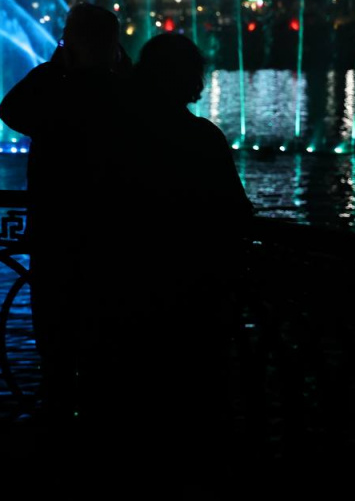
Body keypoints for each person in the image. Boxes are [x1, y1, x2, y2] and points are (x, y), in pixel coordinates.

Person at [96, 33, 252, 482]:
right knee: (193, 412)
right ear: (192, 82)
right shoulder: (202, 138)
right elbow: (235, 212)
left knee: (130, 415)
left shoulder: (115, 136)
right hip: (192, 297)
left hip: (124, 294)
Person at [0, 3, 130, 434]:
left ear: (69, 44)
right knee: (107, 358)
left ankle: (57, 443)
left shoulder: (54, 87)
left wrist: (57, 66)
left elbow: (9, 110)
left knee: (55, 353)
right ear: (113, 44)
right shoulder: (125, 93)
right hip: (114, 244)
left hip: (54, 240)